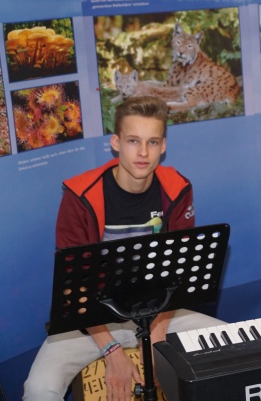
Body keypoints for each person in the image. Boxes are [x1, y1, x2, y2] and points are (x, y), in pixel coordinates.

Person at [24, 96, 225, 401]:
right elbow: (75, 288)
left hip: (158, 314)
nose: (143, 153)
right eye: (133, 141)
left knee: (236, 350)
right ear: (116, 143)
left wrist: (157, 341)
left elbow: (178, 274)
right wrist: (111, 350)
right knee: (39, 390)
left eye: (153, 142)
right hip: (91, 321)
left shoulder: (177, 189)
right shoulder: (80, 196)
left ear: (164, 146)